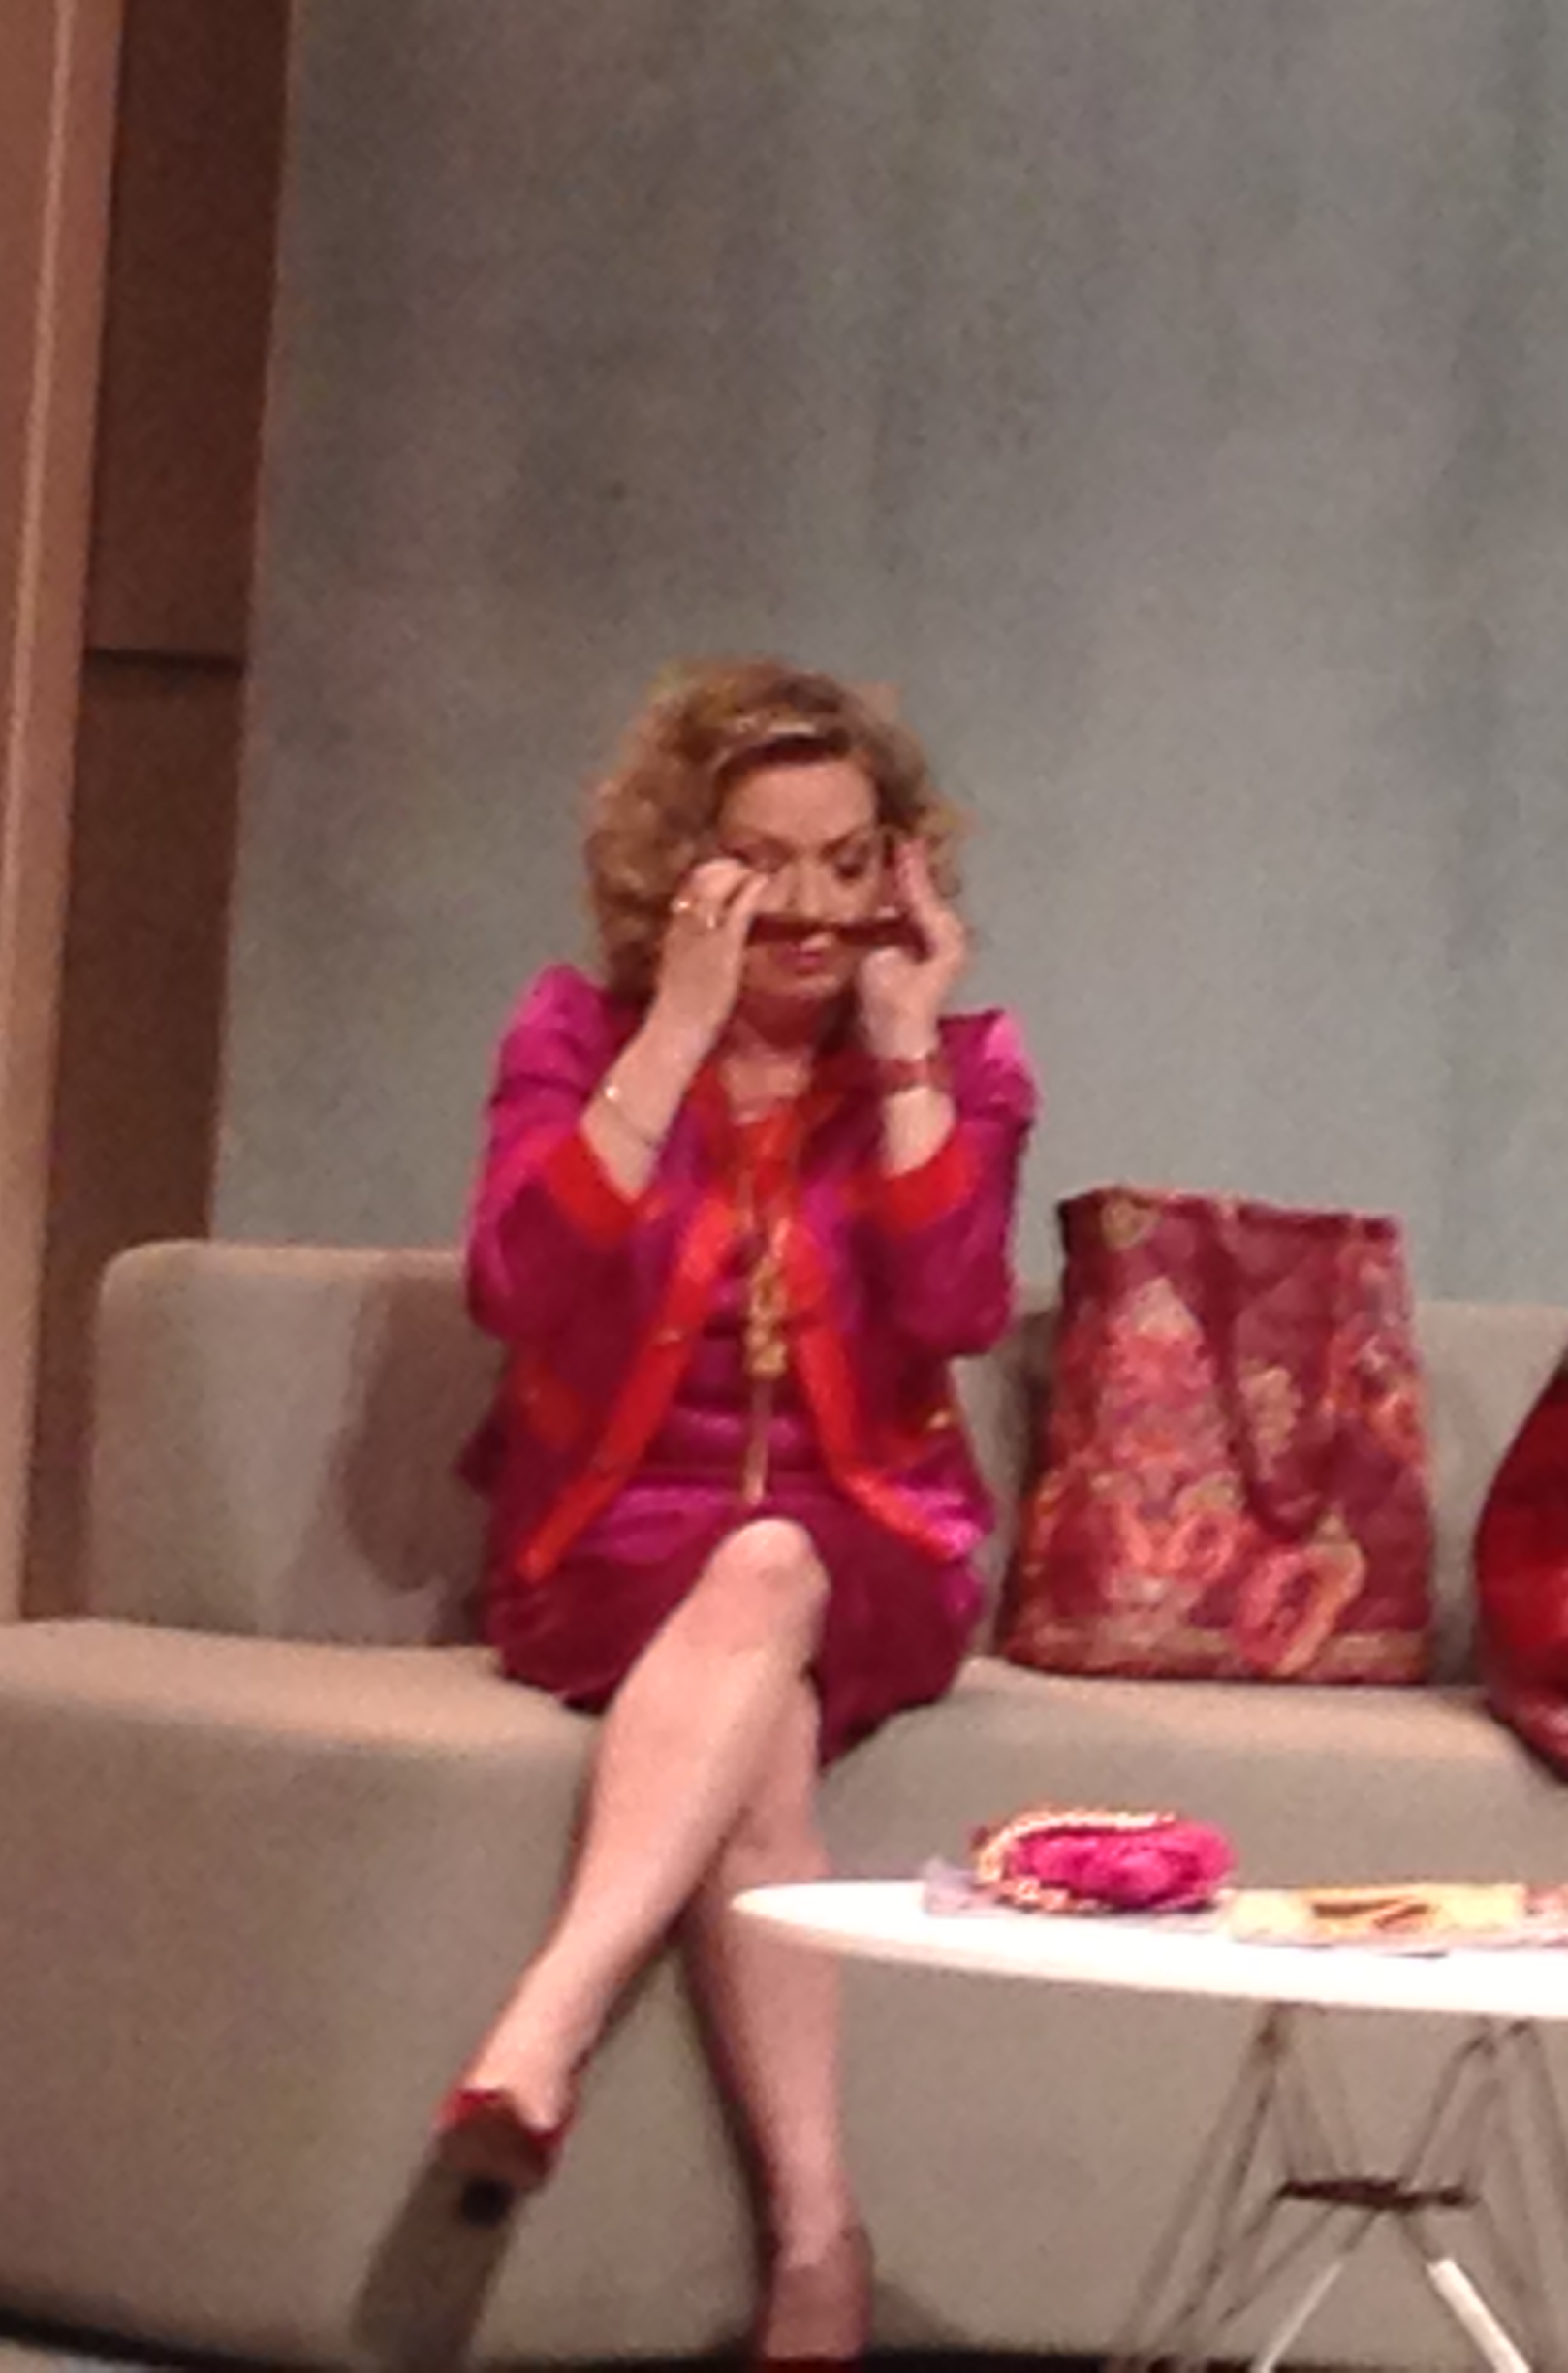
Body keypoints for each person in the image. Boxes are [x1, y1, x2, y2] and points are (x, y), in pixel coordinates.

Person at [435, 660, 1037, 2366]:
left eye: (849, 861)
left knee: (773, 1564)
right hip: (612, 1545)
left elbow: (957, 1305)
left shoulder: (967, 1064)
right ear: (678, 872)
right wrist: (674, 1041)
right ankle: (821, 2243)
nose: (815, 910)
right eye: (764, 864)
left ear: (900, 869)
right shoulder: (575, 1036)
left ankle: (546, 2022)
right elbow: (515, 1285)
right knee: (757, 1732)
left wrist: (905, 1058)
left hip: (877, 1544)